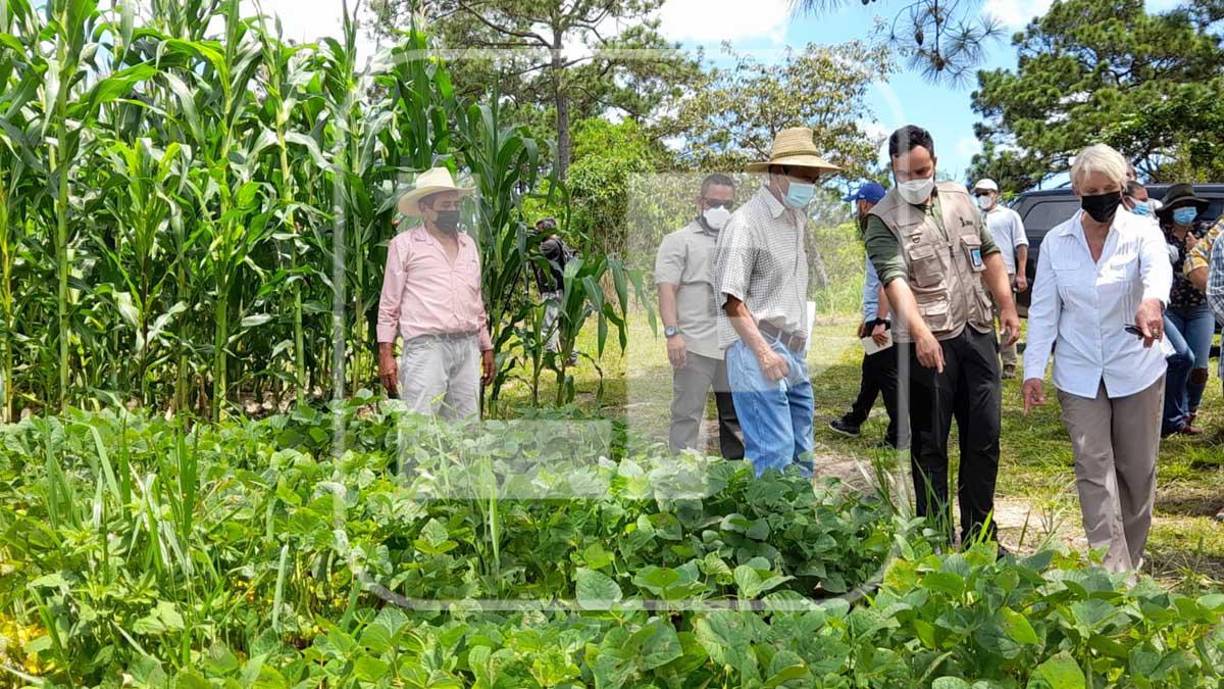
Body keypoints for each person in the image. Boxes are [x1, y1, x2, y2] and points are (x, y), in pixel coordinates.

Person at [865, 125, 1020, 547]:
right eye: (904, 174)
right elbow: (894, 281)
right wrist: (920, 333)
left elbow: (988, 252)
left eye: (922, 170)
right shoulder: (881, 219)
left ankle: (980, 537)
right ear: (893, 171)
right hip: (926, 345)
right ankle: (933, 540)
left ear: (934, 162)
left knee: (984, 439)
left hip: (977, 333)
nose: (915, 181)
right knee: (931, 445)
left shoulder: (959, 198)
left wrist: (1006, 306)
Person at [1022, 143, 1171, 573]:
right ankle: (1111, 574)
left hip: (1137, 365)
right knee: (1093, 470)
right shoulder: (1056, 242)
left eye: (1110, 187)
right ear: (1077, 191)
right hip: (1079, 370)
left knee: (1137, 472)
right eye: (1093, 189)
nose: (1102, 196)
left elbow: (1156, 272)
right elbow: (1046, 309)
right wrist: (1034, 370)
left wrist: (1152, 303)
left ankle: (1132, 558)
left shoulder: (1143, 232)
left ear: (1122, 187)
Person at [716, 127, 839, 477]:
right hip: (758, 349)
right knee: (774, 456)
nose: (811, 186)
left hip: (794, 351)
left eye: (815, 179)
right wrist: (764, 353)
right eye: (804, 177)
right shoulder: (745, 223)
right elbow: (731, 300)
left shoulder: (796, 219)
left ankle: (799, 532)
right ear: (777, 173)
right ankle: (770, 532)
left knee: (802, 454)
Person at [377, 167, 495, 419]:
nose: (452, 210)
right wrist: (386, 354)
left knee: (466, 426)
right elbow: (389, 304)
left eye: (455, 204)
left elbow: (475, 300)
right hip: (426, 348)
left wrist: (486, 346)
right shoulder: (404, 246)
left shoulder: (468, 245)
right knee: (420, 425)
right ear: (425, 209)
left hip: (467, 347)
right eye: (445, 205)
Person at [655, 174, 745, 459]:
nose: (720, 209)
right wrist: (673, 334)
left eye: (726, 204)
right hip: (693, 345)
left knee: (735, 418)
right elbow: (666, 291)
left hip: (733, 345)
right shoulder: (678, 241)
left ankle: (736, 478)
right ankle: (681, 478)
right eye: (713, 202)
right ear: (700, 202)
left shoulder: (739, 242)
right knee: (687, 414)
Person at [829, 182, 900, 447]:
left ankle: (899, 435)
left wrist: (880, 320)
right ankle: (854, 420)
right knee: (872, 371)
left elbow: (886, 280)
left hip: (884, 318)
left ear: (864, 204)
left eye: (856, 204)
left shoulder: (879, 231)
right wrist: (867, 318)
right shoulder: (885, 227)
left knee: (888, 377)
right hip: (878, 316)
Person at [1156, 184, 1213, 436]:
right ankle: (1172, 414)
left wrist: (1196, 252)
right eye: (1180, 207)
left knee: (1199, 364)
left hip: (1201, 307)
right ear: (1171, 211)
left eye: (1189, 207)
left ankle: (1190, 413)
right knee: (1178, 360)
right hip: (1171, 308)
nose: (1185, 212)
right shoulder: (1159, 234)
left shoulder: (1206, 233)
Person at [973, 178, 1029, 378]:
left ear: (995, 193)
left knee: (1006, 316)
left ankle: (1009, 363)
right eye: (978, 194)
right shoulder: (974, 216)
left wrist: (1021, 273)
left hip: (1005, 272)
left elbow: (1021, 244)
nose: (982, 197)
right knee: (983, 319)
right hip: (979, 273)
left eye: (985, 193)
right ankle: (988, 360)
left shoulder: (1009, 215)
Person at [530, 218, 574, 356]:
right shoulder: (560, 243)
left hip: (551, 292)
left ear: (547, 231)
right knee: (563, 326)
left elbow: (531, 254)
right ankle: (571, 356)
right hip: (560, 290)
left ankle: (549, 356)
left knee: (548, 326)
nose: (537, 234)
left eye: (539, 231)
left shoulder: (550, 244)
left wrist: (528, 241)